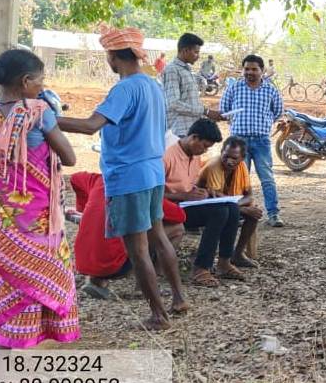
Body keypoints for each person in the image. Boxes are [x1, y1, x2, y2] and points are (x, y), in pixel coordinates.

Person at [60, 27, 187, 330]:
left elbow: (91, 126)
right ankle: (179, 298)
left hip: (129, 176)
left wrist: (46, 119)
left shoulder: (125, 88)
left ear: (114, 56)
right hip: (152, 172)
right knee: (157, 235)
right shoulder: (152, 85)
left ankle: (158, 315)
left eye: (108, 56)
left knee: (139, 249)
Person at [0, 48, 79, 348]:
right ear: (26, 81)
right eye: (40, 80)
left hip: (1, 217)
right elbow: (70, 157)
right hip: (38, 218)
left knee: (12, 276)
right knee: (39, 276)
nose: (42, 85)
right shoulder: (37, 111)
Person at [71, 171, 186, 299]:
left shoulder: (98, 180)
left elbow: (75, 178)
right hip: (116, 266)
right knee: (176, 229)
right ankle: (148, 284)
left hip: (82, 262)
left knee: (112, 231)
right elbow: (180, 216)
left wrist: (84, 207)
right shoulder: (140, 186)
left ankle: (96, 281)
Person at [164, 119, 247, 287]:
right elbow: (153, 194)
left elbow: (191, 184)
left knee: (231, 208)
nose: (205, 151)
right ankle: (201, 268)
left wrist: (207, 192)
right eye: (204, 146)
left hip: (187, 205)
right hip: (169, 207)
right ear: (194, 137)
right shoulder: (167, 156)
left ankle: (224, 261)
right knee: (219, 212)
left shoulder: (194, 157)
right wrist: (184, 195)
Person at [219, 54, 285, 227]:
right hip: (238, 144)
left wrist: (264, 123)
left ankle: (273, 214)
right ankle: (239, 215)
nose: (250, 72)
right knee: (238, 179)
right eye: (247, 69)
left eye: (254, 69)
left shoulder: (270, 90)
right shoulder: (234, 88)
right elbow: (224, 110)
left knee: (267, 179)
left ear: (262, 71)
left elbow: (277, 111)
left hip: (261, 141)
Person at [198, 137, 265, 268]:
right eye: (226, 156)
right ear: (221, 151)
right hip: (207, 206)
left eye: (234, 158)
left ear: (242, 157)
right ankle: (214, 261)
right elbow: (216, 200)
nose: (229, 161)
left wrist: (237, 206)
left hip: (227, 204)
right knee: (224, 213)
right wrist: (239, 207)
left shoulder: (242, 166)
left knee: (253, 214)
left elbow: (249, 196)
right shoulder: (214, 166)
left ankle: (238, 254)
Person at [162, 32, 223, 138]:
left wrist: (205, 113)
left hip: (190, 129)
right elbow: (173, 103)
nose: (198, 56)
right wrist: (206, 111)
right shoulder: (172, 70)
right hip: (179, 132)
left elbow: (189, 101)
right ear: (185, 50)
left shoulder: (187, 70)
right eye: (196, 52)